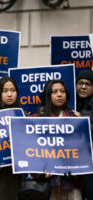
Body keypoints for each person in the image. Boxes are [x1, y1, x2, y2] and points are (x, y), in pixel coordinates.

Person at [34, 79, 82, 200]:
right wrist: (40, 171)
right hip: (47, 186)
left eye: (62, 91)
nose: (59, 94)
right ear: (47, 95)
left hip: (72, 183)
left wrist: (81, 124)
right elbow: (31, 152)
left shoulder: (75, 118)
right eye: (54, 92)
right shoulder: (36, 120)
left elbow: (83, 150)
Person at [75, 70, 93, 200]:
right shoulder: (71, 104)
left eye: (88, 84)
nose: (83, 87)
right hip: (75, 161)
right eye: (80, 83)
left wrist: (82, 122)